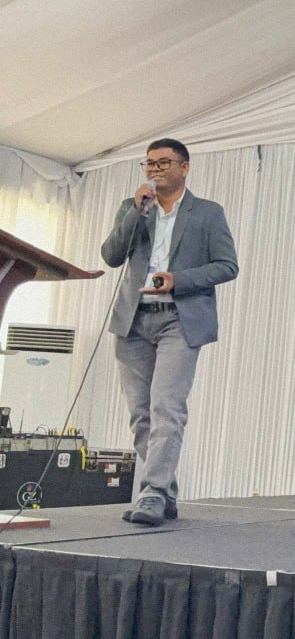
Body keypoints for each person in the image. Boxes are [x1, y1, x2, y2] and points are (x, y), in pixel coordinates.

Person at [100, 138, 238, 526]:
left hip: (178, 318)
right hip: (132, 321)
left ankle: (152, 492)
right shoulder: (133, 208)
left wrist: (179, 279)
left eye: (163, 162)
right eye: (149, 163)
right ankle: (164, 492)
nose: (155, 169)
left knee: (167, 408)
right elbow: (111, 256)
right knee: (141, 415)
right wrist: (135, 212)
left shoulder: (208, 213)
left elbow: (227, 265)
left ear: (184, 167)